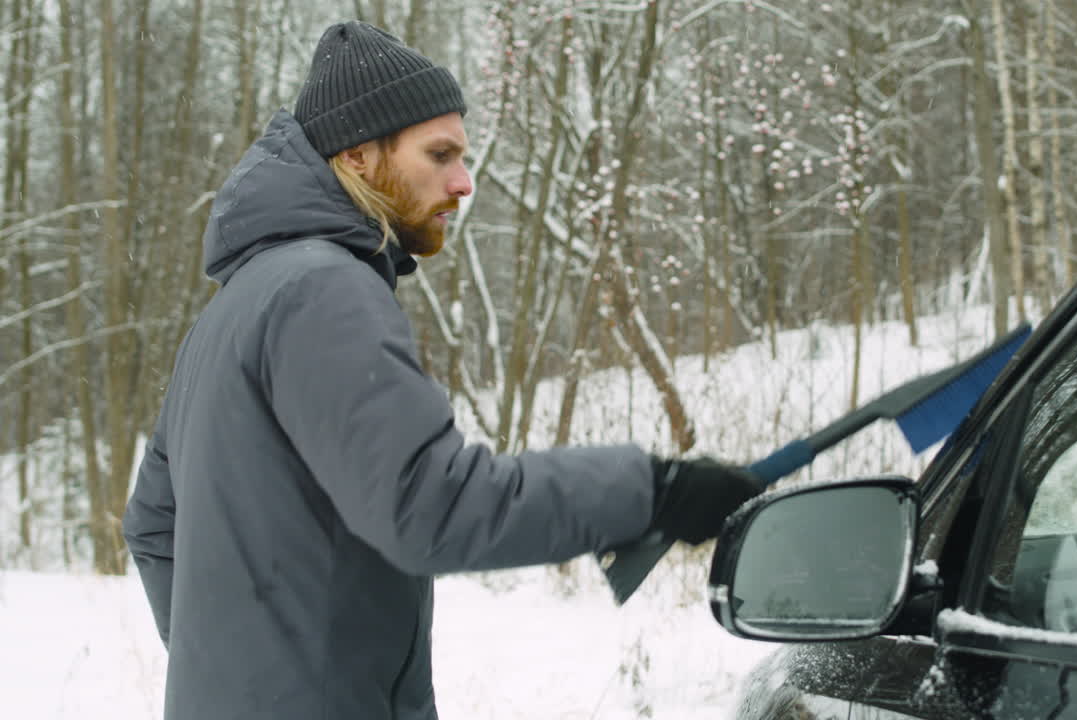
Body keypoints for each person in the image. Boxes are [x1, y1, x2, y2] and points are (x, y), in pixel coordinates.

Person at [121, 20, 762, 720]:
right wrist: (652, 491)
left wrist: (237, 676)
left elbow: (153, 525)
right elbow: (429, 506)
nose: (463, 182)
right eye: (440, 154)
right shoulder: (321, 290)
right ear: (358, 155)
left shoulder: (232, 307)